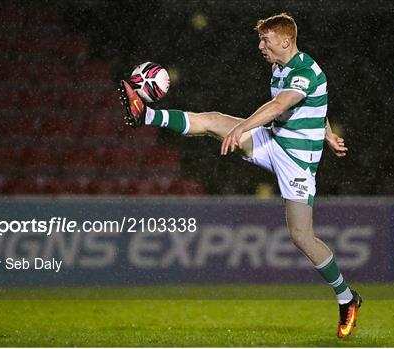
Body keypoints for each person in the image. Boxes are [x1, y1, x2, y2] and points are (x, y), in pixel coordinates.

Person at [118, 13, 362, 338]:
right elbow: (314, 102)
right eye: (260, 39)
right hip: (273, 138)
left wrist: (244, 128)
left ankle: (348, 298)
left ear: (286, 41)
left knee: (301, 236)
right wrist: (327, 131)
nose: (260, 46)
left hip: (297, 161)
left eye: (266, 40)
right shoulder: (281, 67)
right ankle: (144, 114)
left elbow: (281, 104)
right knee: (212, 120)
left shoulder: (305, 70)